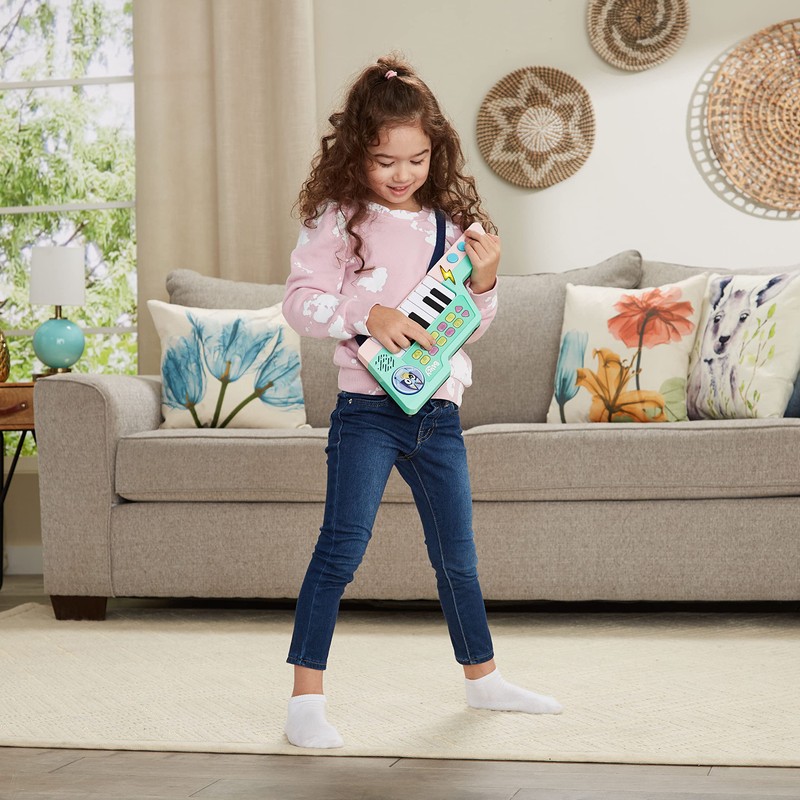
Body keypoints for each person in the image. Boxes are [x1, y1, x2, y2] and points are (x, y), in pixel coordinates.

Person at [281, 54, 562, 749]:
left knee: (457, 557)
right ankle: (305, 701)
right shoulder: (337, 218)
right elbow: (298, 303)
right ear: (356, 152)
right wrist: (366, 312)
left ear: (436, 152)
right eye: (385, 161)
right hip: (367, 412)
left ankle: (483, 678)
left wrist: (486, 282)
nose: (402, 173)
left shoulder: (450, 222)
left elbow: (470, 324)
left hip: (439, 412)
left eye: (417, 158)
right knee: (341, 550)